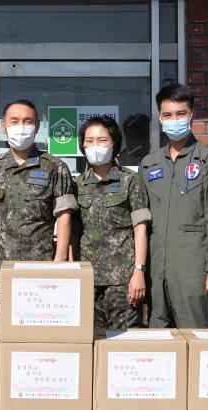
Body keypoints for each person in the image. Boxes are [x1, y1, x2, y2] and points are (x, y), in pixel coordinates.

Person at [139, 83, 208, 327]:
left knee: (196, 336)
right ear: (160, 117)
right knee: (158, 338)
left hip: (194, 268)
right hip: (156, 267)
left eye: (181, 114)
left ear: (191, 115)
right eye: (168, 115)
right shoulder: (150, 164)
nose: (174, 120)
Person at [0, 99, 77, 320]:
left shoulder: (55, 167)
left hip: (41, 267)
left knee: (39, 329)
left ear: (37, 127)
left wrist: (59, 263)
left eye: (27, 121)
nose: (21, 126)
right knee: (4, 330)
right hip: (1, 268)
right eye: (14, 121)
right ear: (3, 126)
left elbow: (64, 216)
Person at [74, 116, 151, 335]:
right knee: (92, 342)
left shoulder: (130, 181)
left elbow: (140, 229)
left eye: (102, 140)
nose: (95, 146)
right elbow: (74, 233)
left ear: (114, 143)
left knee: (124, 344)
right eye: (89, 141)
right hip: (88, 281)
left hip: (123, 282)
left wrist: (139, 272)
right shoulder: (77, 184)